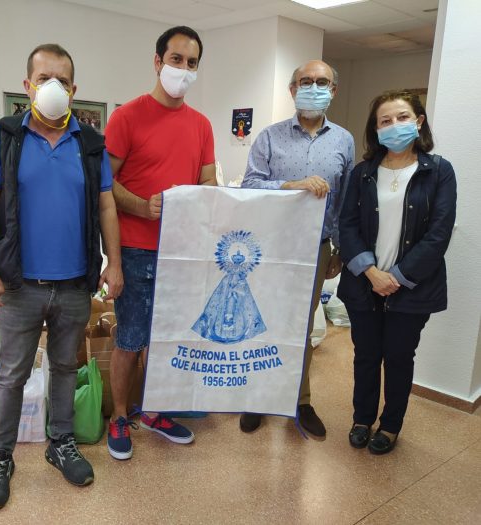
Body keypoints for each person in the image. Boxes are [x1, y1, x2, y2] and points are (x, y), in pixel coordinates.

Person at [0, 43, 123, 509]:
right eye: (43, 78)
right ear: (28, 86)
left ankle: (61, 444)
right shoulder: (7, 137)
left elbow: (105, 205)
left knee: (64, 367)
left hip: (75, 282)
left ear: (74, 90)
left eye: (61, 79)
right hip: (19, 283)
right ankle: (1, 456)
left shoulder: (90, 144)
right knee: (12, 374)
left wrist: (113, 263)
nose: (51, 86)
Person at [104, 26, 216, 460]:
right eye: (176, 60)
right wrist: (141, 206)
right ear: (157, 61)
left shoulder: (201, 124)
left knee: (168, 339)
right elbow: (104, 184)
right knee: (130, 339)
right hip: (135, 249)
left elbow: (208, 181)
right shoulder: (127, 117)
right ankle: (119, 415)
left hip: (182, 251)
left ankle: (153, 411)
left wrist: (198, 199)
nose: (183, 70)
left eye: (191, 64)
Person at [240, 60, 354, 437]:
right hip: (269, 249)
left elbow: (343, 200)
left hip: (316, 248)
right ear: (292, 89)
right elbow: (249, 185)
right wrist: (290, 186)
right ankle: (257, 397)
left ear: (333, 91)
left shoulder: (343, 141)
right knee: (263, 322)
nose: (314, 87)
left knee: (302, 328)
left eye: (322, 82)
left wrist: (338, 247)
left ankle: (300, 401)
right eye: (306, 81)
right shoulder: (270, 137)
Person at [339, 90, 456, 454]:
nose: (394, 126)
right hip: (364, 284)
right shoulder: (363, 173)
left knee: (399, 357)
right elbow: (347, 225)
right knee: (366, 355)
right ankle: (362, 418)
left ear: (418, 121)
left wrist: (398, 277)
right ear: (375, 130)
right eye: (384, 121)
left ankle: (390, 425)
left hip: (412, 288)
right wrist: (372, 273)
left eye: (402, 118)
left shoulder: (438, 171)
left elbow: (439, 233)